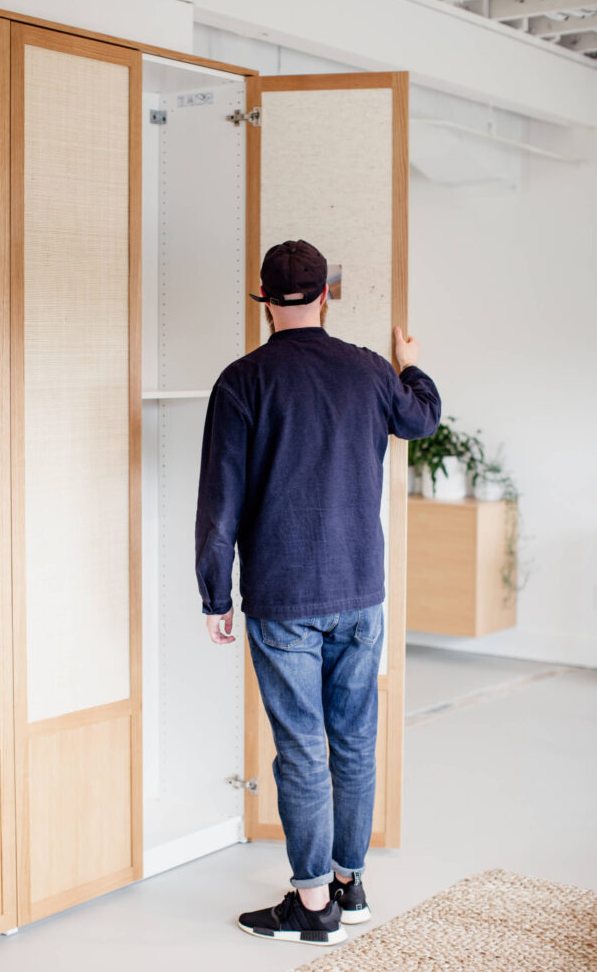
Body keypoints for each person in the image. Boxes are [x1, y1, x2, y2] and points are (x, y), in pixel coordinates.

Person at [194, 239, 442, 947]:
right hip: (360, 590)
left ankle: (309, 909)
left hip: (283, 596)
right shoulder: (368, 370)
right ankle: (348, 884)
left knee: (302, 748)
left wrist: (215, 595)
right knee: (354, 740)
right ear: (324, 296)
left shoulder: (242, 381)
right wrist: (412, 362)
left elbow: (219, 504)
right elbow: (421, 418)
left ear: (266, 303)